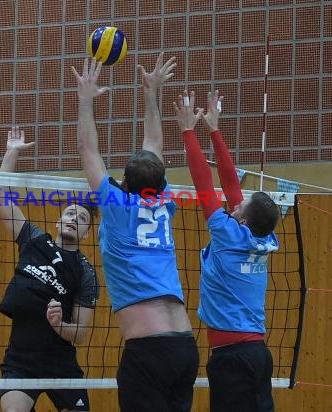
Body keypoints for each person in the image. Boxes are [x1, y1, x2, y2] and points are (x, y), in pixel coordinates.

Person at [72, 53, 199, 412]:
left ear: (124, 183)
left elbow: (87, 149)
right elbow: (154, 146)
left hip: (149, 352)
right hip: (184, 347)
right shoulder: (163, 202)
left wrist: (85, 100)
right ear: (159, 184)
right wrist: (151, 93)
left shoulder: (116, 206)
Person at [173, 89, 280, 412]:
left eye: (239, 207)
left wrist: (188, 131)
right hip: (256, 354)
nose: (234, 204)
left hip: (233, 357)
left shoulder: (227, 234)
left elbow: (204, 183)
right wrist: (215, 130)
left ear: (243, 220)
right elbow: (232, 184)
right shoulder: (263, 239)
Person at [0, 127, 100, 412]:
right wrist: (11, 153)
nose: (73, 219)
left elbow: (79, 333)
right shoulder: (34, 240)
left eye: (81, 218)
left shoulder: (85, 271)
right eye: (69, 213)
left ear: (87, 234)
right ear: (58, 221)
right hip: (21, 359)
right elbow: (1, 197)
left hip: (60, 362)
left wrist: (60, 325)